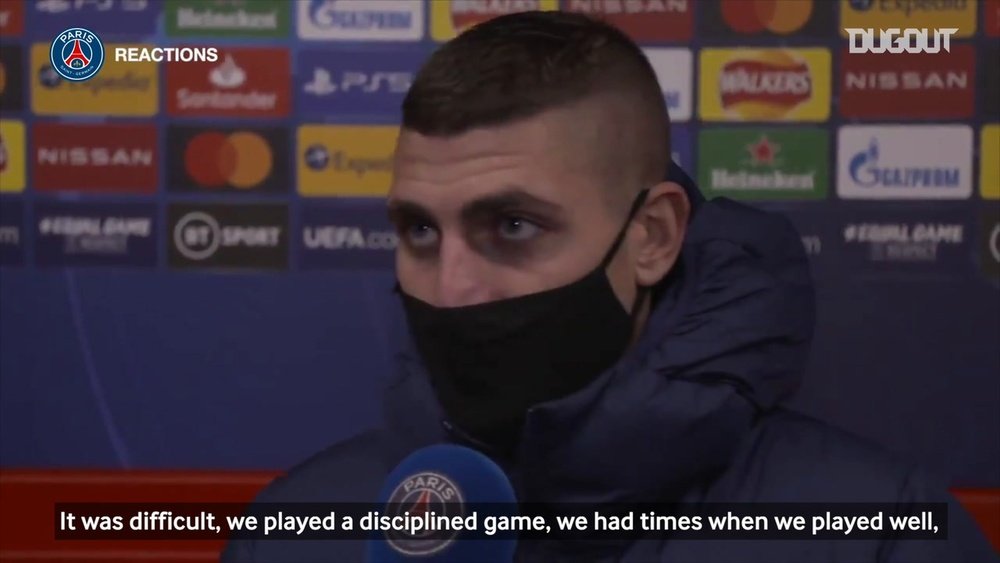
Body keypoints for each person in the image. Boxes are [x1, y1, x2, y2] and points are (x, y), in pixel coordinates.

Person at [223, 11, 997, 563]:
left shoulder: (879, 533)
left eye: (514, 226)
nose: (451, 287)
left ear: (653, 237)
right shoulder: (299, 528)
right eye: (420, 231)